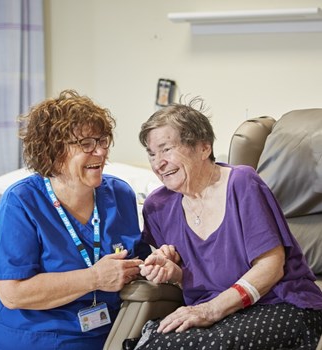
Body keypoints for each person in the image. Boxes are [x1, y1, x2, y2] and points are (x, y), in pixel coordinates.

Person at [136, 99, 322, 349]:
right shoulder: (158, 206)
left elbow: (271, 267)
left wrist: (210, 310)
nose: (158, 163)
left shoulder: (241, 183)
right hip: (215, 313)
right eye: (151, 154)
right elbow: (199, 277)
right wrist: (172, 272)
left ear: (203, 148)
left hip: (279, 303)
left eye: (166, 149)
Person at [0, 89, 151, 350]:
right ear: (53, 152)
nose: (101, 152)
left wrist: (156, 265)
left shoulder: (120, 194)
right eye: (86, 144)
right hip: (32, 339)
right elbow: (13, 293)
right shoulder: (21, 201)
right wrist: (94, 278)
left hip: (108, 337)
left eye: (103, 141)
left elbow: (136, 261)